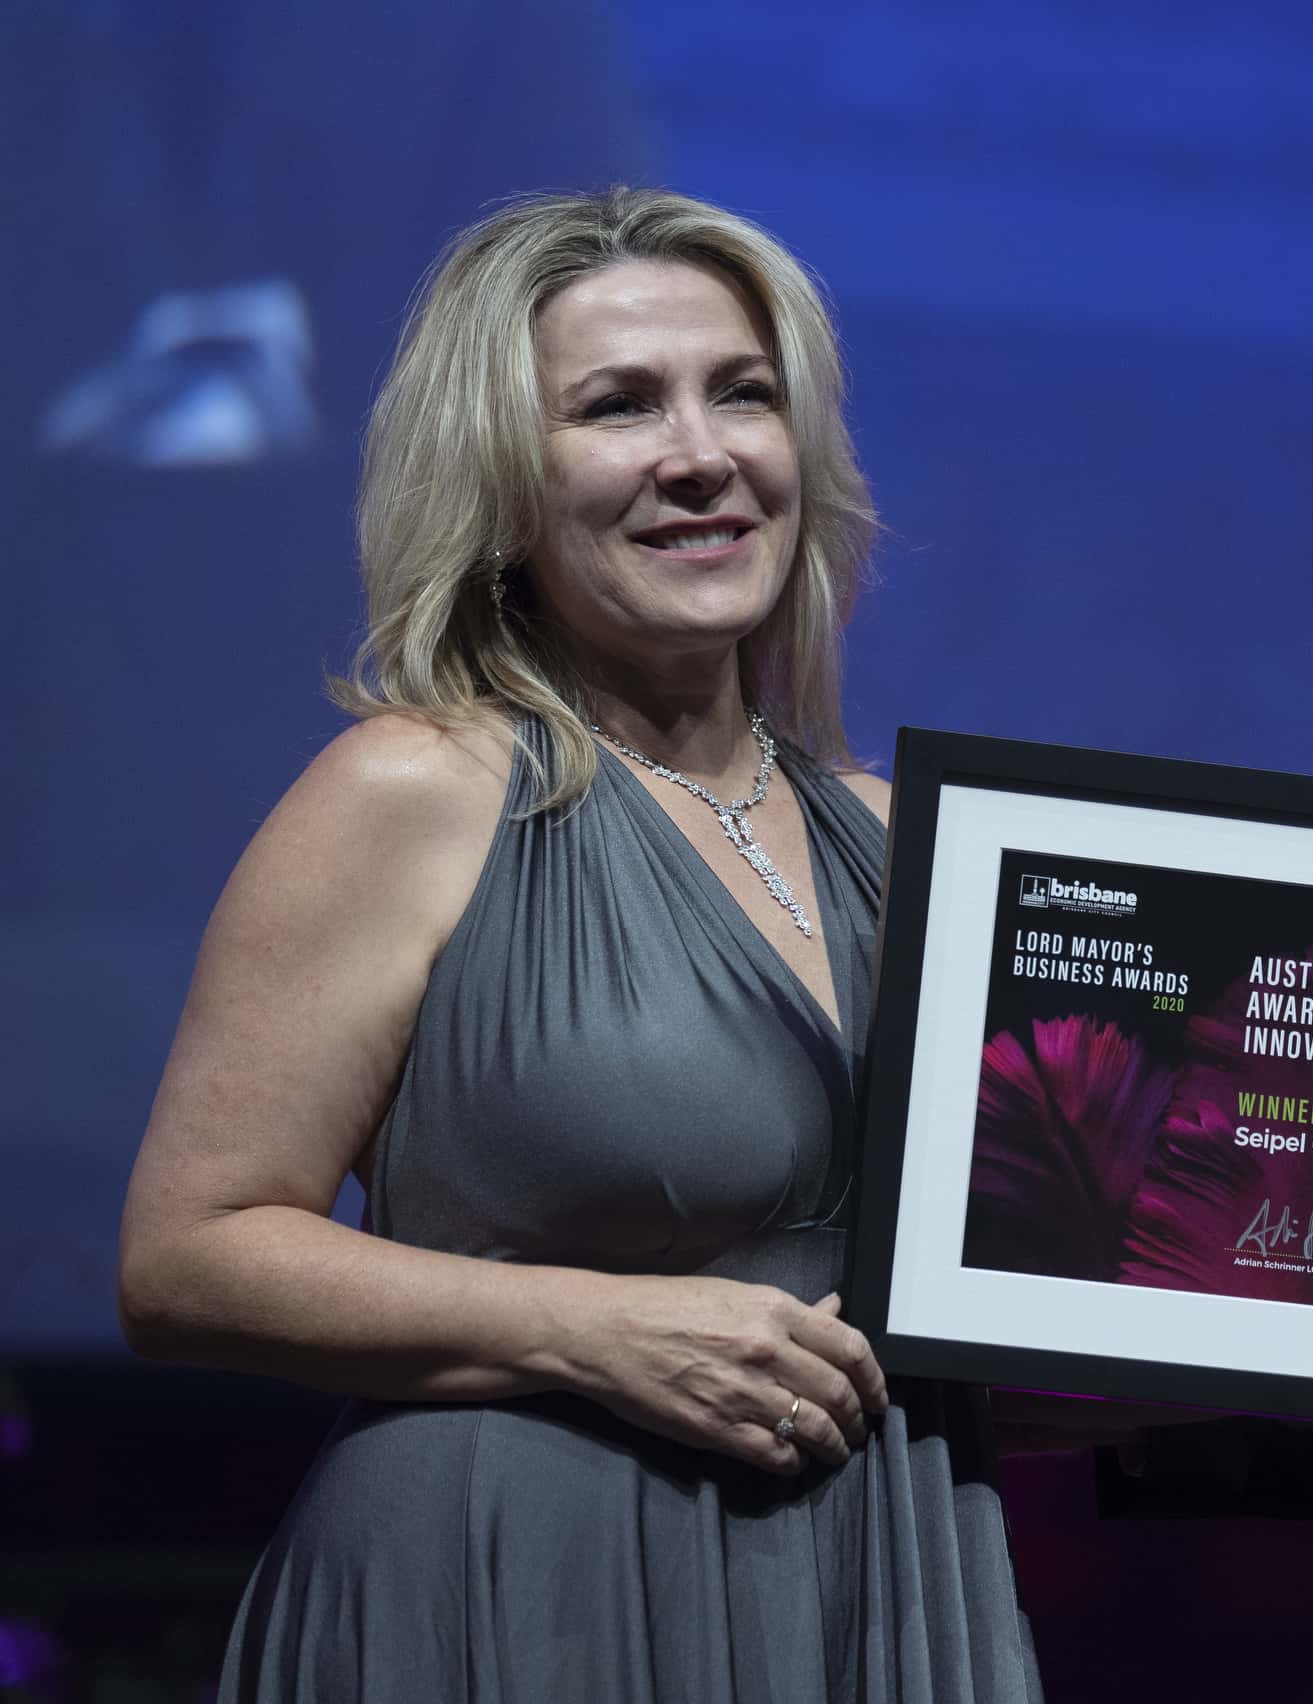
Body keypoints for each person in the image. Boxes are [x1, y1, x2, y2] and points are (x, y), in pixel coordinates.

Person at [116, 187, 1041, 1702]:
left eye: (743, 394)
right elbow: (185, 1260)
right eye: (618, 408)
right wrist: (595, 1331)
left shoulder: (908, 839)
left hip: (881, 1586)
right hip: (510, 1599)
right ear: (500, 485)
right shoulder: (414, 791)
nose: (703, 454)